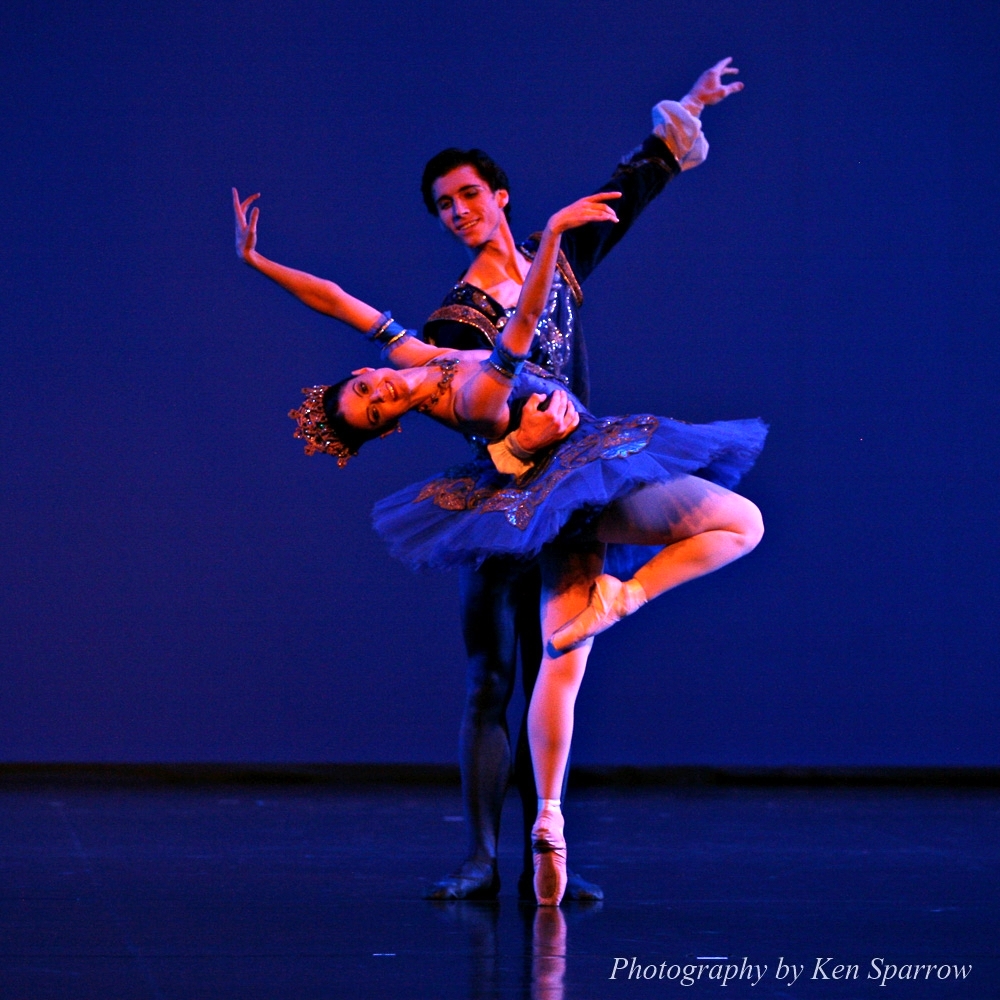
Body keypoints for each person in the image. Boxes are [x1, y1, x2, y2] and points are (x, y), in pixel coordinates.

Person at [233, 58, 745, 903]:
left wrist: (690, 105)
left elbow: (636, 179)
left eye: (470, 195)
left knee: (563, 659)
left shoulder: (567, 252)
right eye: (445, 205)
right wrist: (262, 266)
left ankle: (552, 836)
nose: (460, 211)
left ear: (499, 196)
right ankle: (479, 856)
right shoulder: (451, 320)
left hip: (576, 476)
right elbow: (431, 361)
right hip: (508, 491)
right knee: (491, 675)